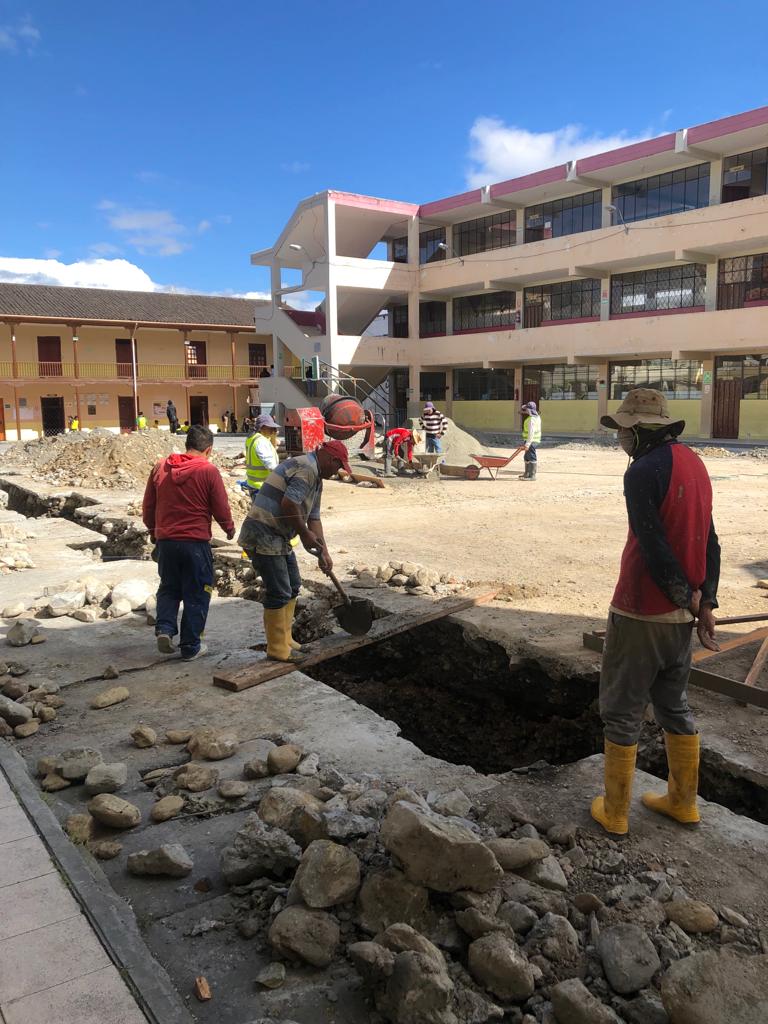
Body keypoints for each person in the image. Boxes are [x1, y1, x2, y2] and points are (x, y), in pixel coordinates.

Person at [591, 388, 720, 836]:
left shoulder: (642, 471)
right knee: (673, 704)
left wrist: (682, 594)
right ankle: (683, 803)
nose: (619, 438)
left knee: (622, 709)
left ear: (637, 429)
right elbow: (710, 540)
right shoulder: (695, 463)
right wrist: (705, 601)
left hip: (642, 609)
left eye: (623, 430)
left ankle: (616, 812)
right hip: (683, 615)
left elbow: (653, 544)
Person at [238, 440, 351, 662]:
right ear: (329, 458)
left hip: (278, 536)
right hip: (263, 532)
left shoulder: (316, 479)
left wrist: (324, 552)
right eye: (338, 466)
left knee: (293, 586)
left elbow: (314, 518)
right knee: (279, 591)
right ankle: (277, 648)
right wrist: (303, 533)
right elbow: (288, 504)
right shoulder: (307, 469)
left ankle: (287, 640)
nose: (338, 471)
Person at [142, 424, 235, 661]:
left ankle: (165, 629)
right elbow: (220, 506)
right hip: (195, 543)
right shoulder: (208, 470)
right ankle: (190, 646)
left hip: (166, 542)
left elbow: (148, 506)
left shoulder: (161, 467)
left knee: (169, 587)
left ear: (187, 445)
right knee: (197, 593)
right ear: (209, 450)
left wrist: (154, 531)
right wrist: (229, 528)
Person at [244, 413, 280, 497]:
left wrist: (273, 437)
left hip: (253, 484)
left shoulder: (252, 438)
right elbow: (271, 466)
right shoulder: (261, 442)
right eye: (270, 427)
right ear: (262, 427)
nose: (272, 430)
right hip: (262, 487)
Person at [518, 401, 541, 480]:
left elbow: (531, 433)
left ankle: (532, 475)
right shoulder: (536, 417)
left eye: (527, 409)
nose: (526, 410)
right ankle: (527, 473)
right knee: (527, 456)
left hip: (532, 441)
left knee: (531, 457)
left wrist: (527, 444)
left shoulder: (531, 420)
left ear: (530, 410)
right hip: (531, 440)